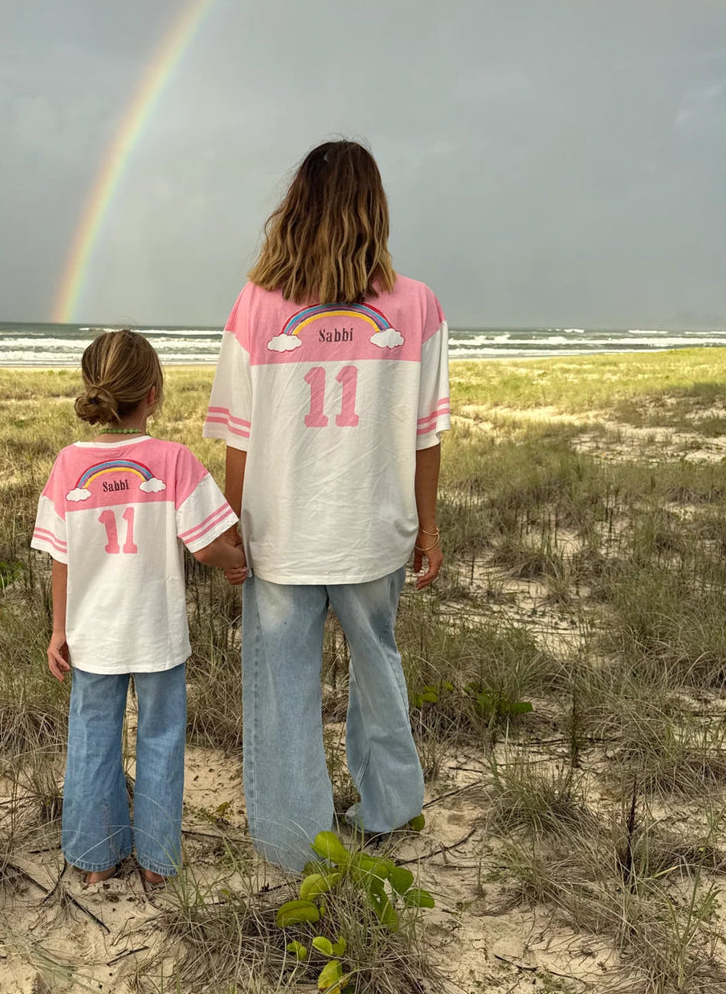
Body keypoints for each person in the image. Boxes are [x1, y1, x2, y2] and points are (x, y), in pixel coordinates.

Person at [204, 140, 450, 872]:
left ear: (297, 208)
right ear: (374, 209)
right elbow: (426, 434)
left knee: (281, 690)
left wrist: (230, 529)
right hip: (374, 531)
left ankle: (293, 840)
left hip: (281, 536)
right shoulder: (418, 305)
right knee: (377, 671)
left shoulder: (257, 304)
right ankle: (390, 809)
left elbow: (240, 436)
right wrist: (429, 526)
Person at [33, 329, 247, 886]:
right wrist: (235, 561)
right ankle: (156, 862)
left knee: (92, 740)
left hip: (93, 634)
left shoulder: (68, 463)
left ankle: (95, 860)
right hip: (157, 633)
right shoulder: (173, 460)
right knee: (161, 738)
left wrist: (58, 630)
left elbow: (60, 557)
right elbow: (206, 546)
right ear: (153, 395)